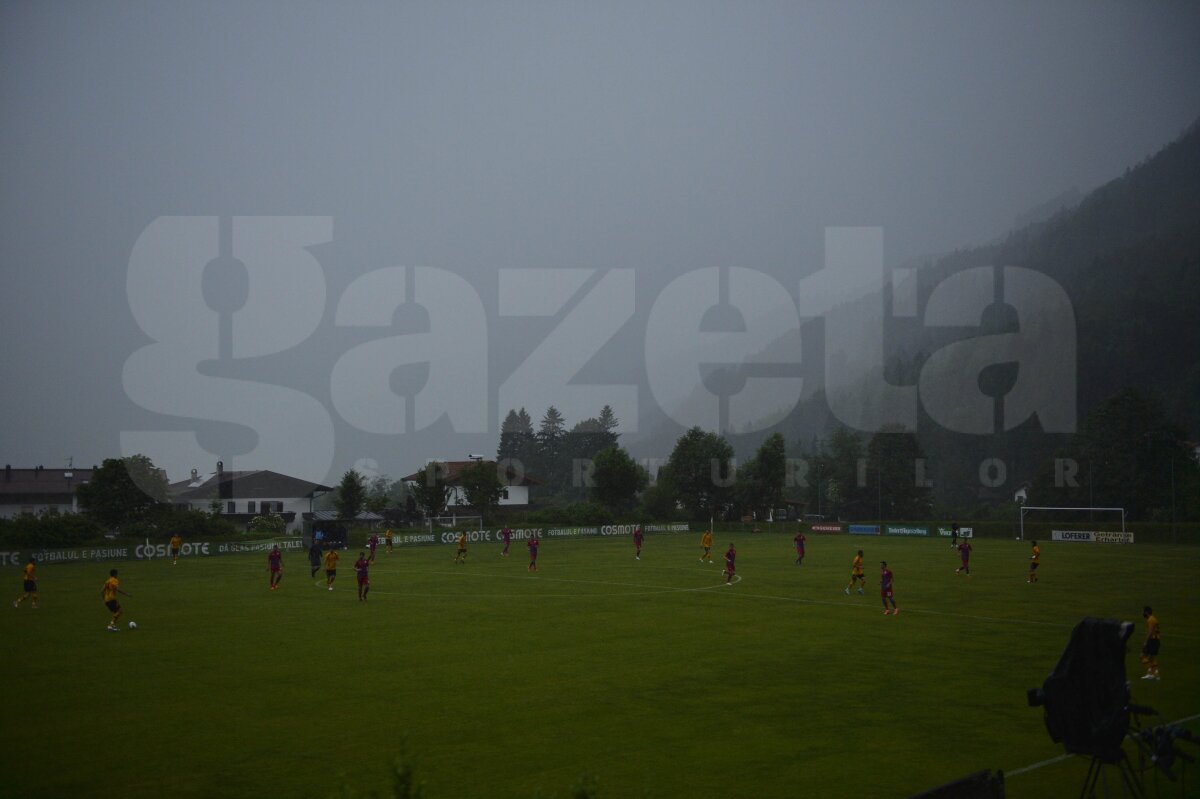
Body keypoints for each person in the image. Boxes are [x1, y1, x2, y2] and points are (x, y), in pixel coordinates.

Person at [1140, 606, 1161, 680]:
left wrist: (1146, 642)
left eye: (1143, 612)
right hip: (1155, 640)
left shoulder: (1150, 620)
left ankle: (1152, 673)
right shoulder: (1153, 618)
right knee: (1151, 658)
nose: (1142, 613)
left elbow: (1150, 632)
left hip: (1153, 640)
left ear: (1146, 612)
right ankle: (1154, 674)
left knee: (1143, 656)